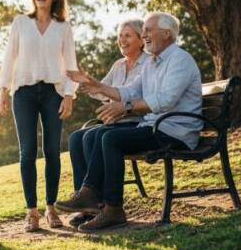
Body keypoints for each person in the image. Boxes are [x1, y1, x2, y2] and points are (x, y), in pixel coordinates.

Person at [65, 12, 203, 231]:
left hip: (175, 130)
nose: (145, 35)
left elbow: (165, 100)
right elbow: (130, 90)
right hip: (155, 126)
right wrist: (99, 87)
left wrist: (126, 107)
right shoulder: (153, 63)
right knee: (101, 134)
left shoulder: (180, 60)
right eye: (144, 31)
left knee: (110, 138)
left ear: (166, 34)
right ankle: (92, 196)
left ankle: (113, 209)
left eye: (148, 30)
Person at [0, 0, 78, 231]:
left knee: (52, 151)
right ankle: (31, 211)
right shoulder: (21, 23)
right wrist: (3, 90)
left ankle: (51, 208)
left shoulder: (63, 27)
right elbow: (9, 57)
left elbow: (71, 64)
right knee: (27, 152)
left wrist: (69, 95)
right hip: (24, 93)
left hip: (53, 92)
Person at [55, 19, 149, 226]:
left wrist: (106, 93)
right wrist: (85, 81)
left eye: (128, 35)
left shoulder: (148, 63)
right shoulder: (118, 65)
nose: (122, 40)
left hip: (136, 121)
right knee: (76, 138)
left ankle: (100, 203)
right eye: (120, 35)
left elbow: (132, 94)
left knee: (92, 135)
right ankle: (86, 203)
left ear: (141, 40)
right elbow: (102, 90)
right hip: (116, 122)